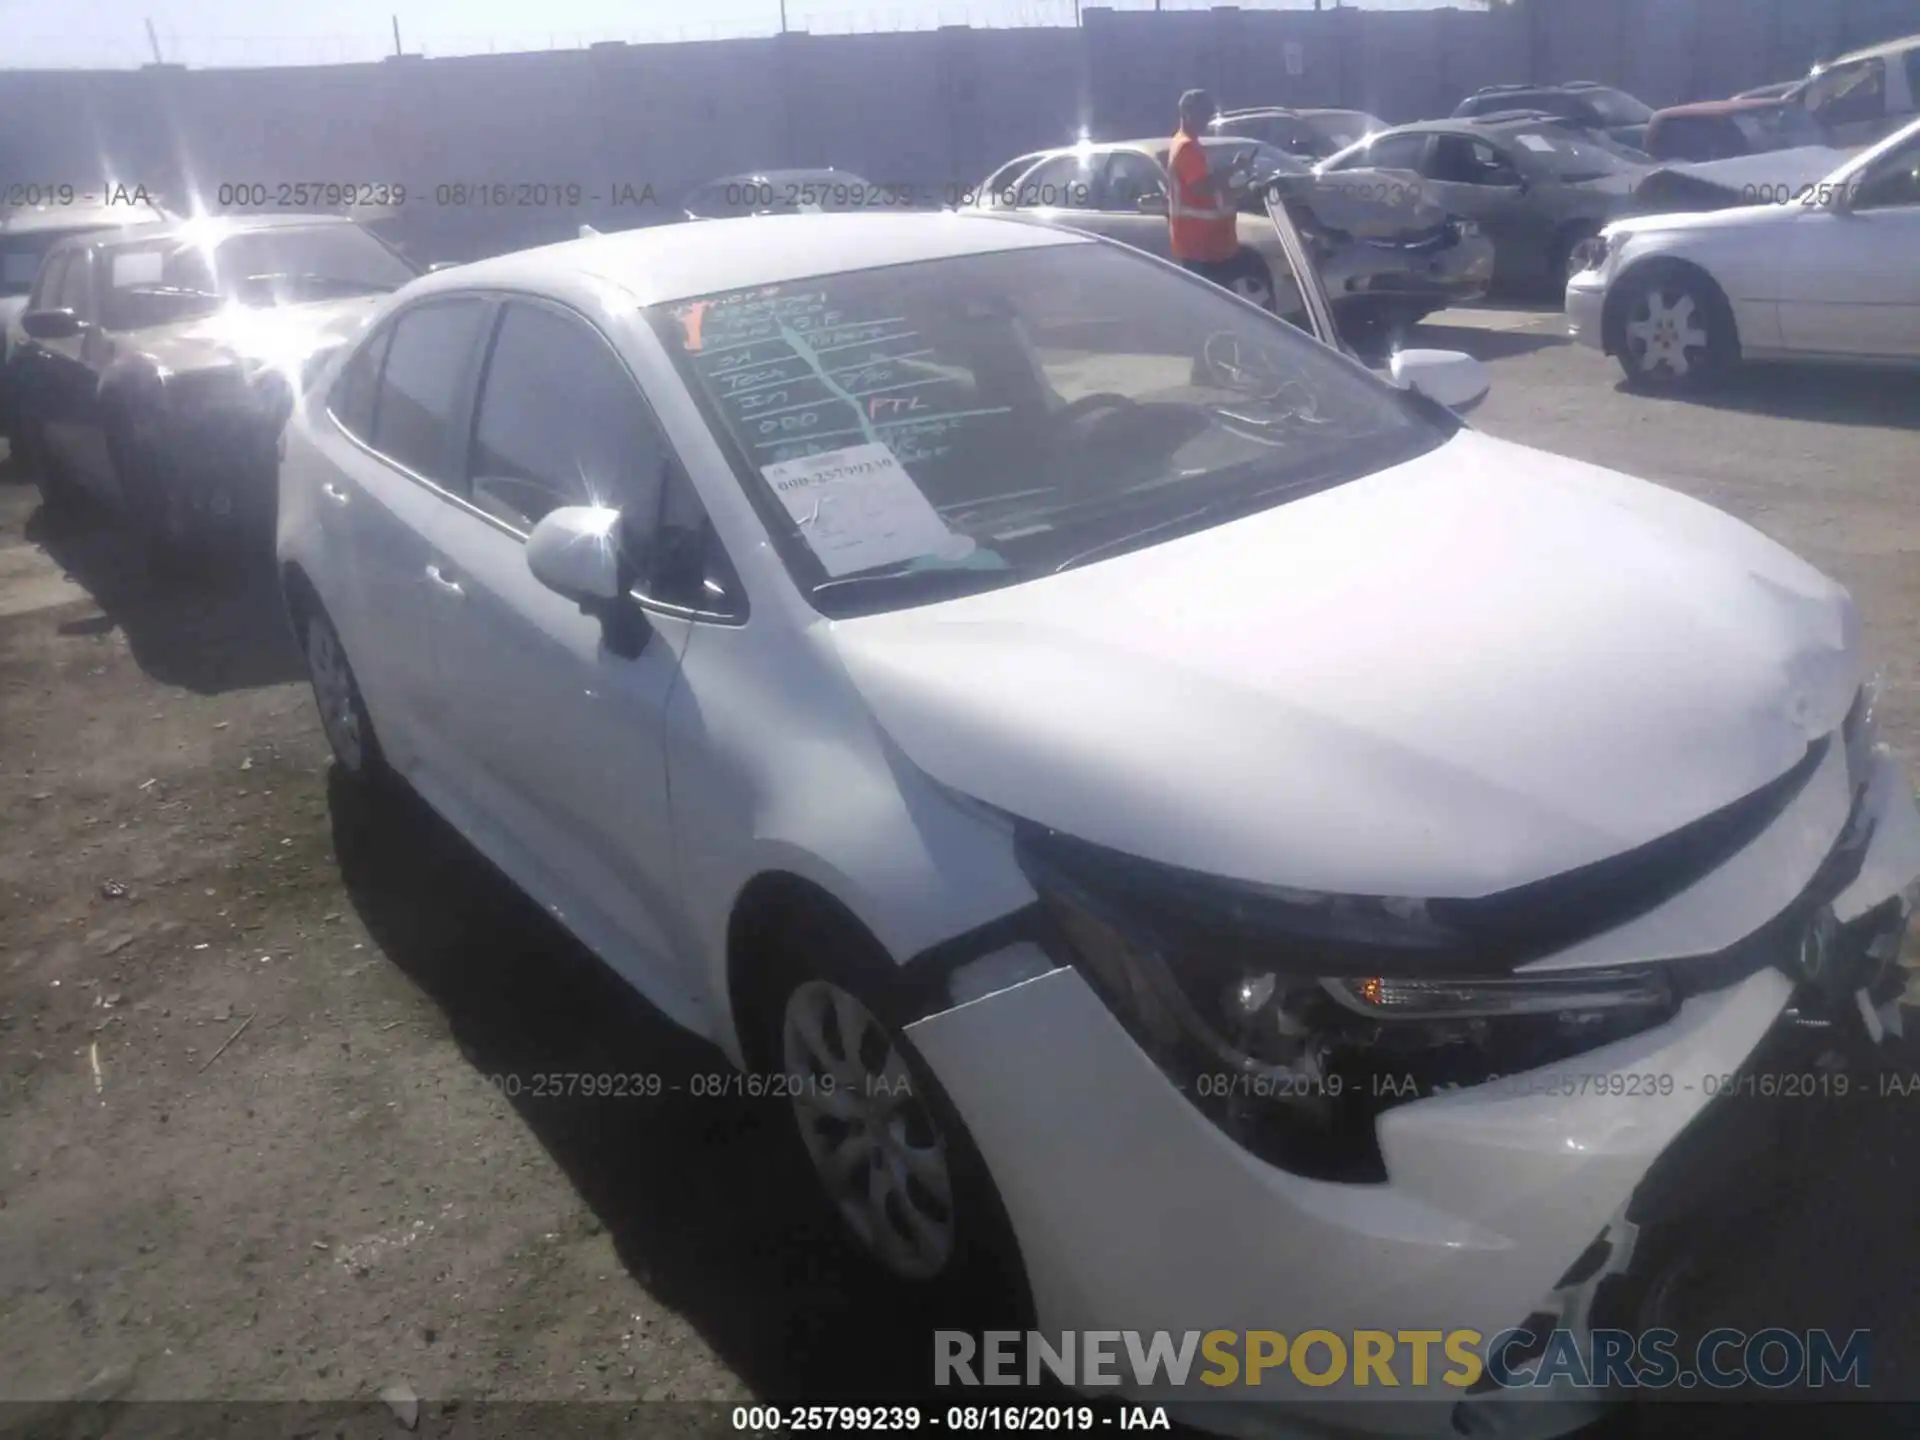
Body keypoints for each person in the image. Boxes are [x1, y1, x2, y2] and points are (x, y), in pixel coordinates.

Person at [1167, 89, 1266, 304]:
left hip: (1210, 245)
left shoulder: (1189, 145)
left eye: (1209, 114)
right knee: (1210, 306)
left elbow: (1208, 190)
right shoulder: (1186, 148)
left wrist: (1238, 189)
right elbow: (1201, 187)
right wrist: (1233, 169)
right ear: (1187, 114)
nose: (1207, 119)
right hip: (1199, 247)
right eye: (1204, 114)